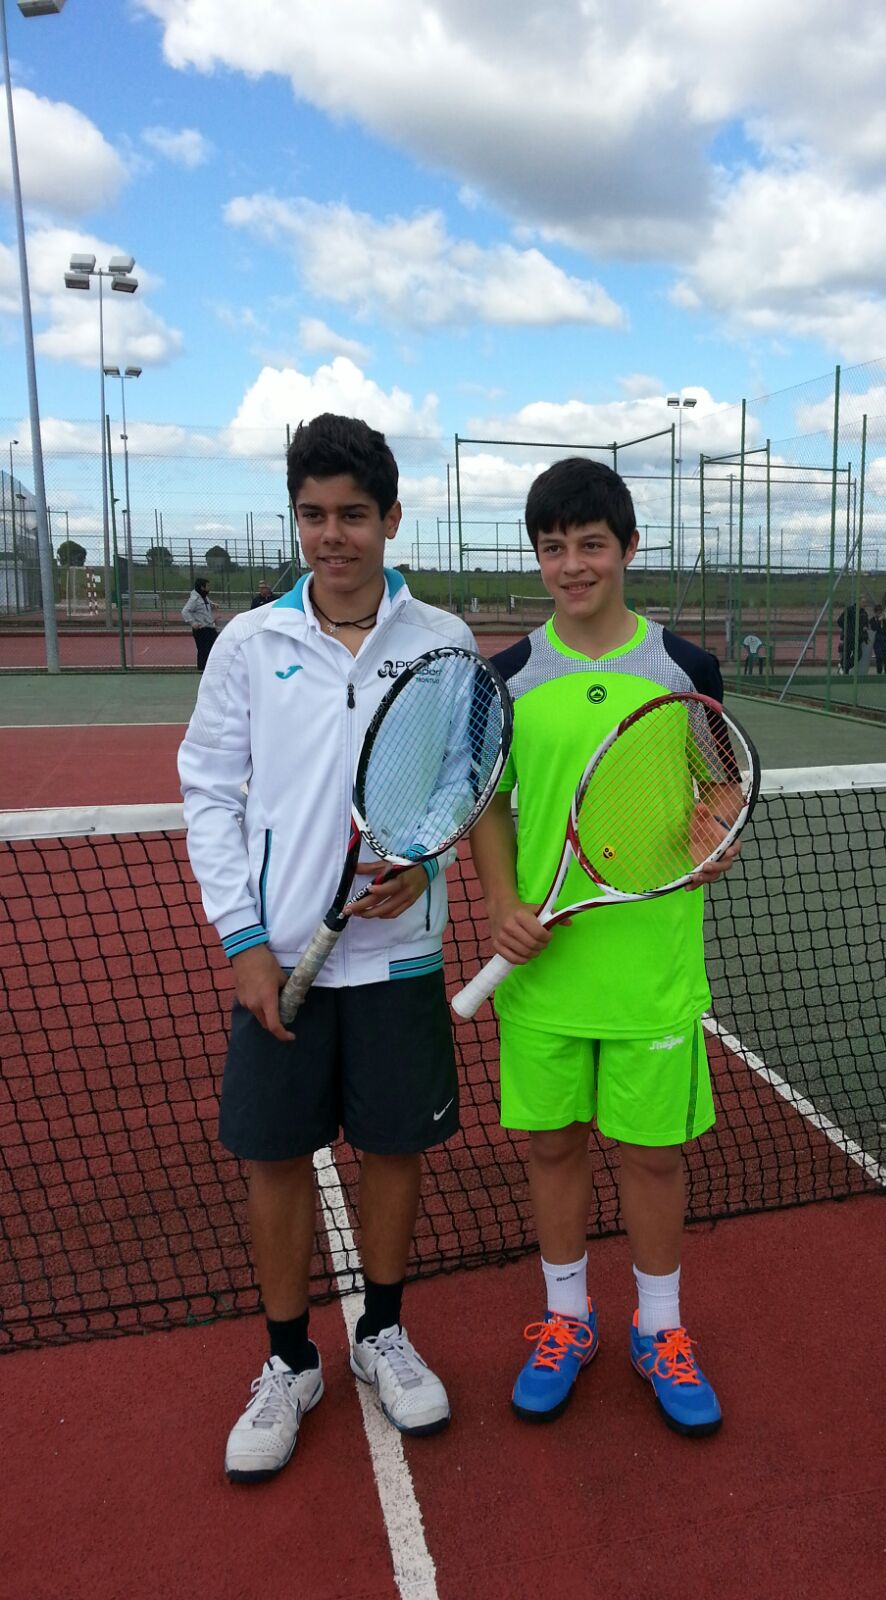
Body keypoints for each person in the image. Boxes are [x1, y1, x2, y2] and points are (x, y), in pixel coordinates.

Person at [178, 413, 472, 1484]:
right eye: (313, 514)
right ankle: (290, 1360)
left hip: (397, 959)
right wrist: (243, 940)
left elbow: (464, 774)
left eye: (352, 514)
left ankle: (382, 1333)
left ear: (391, 518)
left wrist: (427, 859)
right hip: (281, 957)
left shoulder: (442, 639)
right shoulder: (250, 645)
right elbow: (209, 789)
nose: (331, 535)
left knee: (393, 1150)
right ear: (295, 518)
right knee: (274, 1157)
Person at [469, 457, 741, 1438]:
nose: (572, 564)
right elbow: (488, 805)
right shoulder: (505, 678)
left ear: (628, 548)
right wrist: (502, 902)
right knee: (552, 1147)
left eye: (591, 544)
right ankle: (567, 1320)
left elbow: (724, 781)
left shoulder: (684, 669)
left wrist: (716, 828)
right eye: (554, 548)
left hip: (650, 971)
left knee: (653, 1158)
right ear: (537, 558)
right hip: (542, 973)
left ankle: (659, 1330)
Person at [181, 576, 218, 671]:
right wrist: (193, 623)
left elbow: (207, 604)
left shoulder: (204, 597)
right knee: (203, 651)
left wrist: (213, 605)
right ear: (202, 587)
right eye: (207, 586)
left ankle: (211, 669)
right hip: (202, 629)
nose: (209, 588)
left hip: (210, 627)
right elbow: (185, 611)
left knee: (214, 649)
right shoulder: (194, 599)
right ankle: (202, 670)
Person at [869, 604, 886, 675]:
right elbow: (874, 628)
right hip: (876, 642)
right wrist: (878, 621)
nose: (879, 614)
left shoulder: (884, 621)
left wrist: (880, 622)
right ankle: (879, 672)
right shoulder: (872, 620)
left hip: (884, 641)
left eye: (880, 612)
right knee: (879, 657)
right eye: (877, 612)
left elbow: (883, 630)